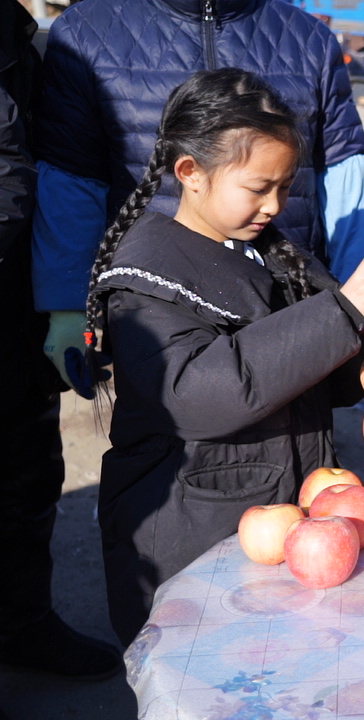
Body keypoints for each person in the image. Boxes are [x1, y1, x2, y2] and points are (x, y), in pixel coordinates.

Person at [85, 69, 364, 644]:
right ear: (190, 173)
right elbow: (202, 393)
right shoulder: (143, 280)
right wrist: (343, 315)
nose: (275, 205)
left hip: (291, 521)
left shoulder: (274, 255)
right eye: (258, 187)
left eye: (285, 187)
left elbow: (316, 377)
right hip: (191, 539)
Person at [32, 0, 364, 396]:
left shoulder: (309, 38)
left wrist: (362, 301)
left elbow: (343, 174)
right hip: (159, 313)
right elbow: (73, 175)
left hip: (289, 307)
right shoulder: (87, 30)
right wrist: (68, 304)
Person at [0, 0, 123, 682]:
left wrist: (59, 305)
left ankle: (22, 623)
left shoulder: (22, 32)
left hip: (14, 295)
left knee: (25, 471)